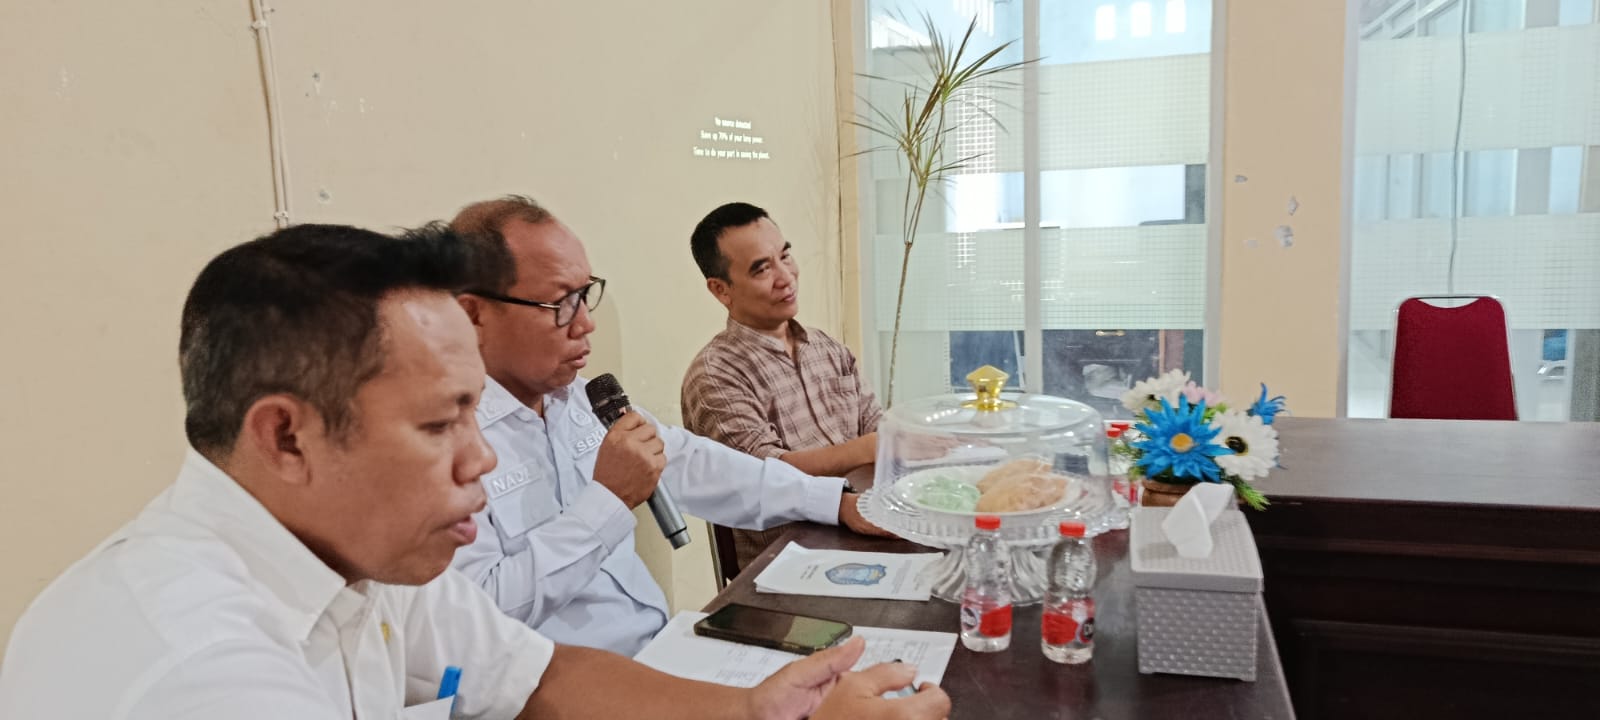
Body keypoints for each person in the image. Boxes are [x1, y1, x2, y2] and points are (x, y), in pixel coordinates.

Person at [0, 223, 948, 720]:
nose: (482, 454)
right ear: (286, 438)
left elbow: (533, 677)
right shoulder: (197, 669)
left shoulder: (358, 556)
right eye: (439, 423)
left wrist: (755, 711)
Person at [447, 196, 891, 657]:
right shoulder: (444, 439)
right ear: (474, 314)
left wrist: (834, 502)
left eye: (585, 294)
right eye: (560, 303)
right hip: (563, 681)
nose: (586, 323)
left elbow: (695, 463)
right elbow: (473, 614)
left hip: (661, 645)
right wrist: (609, 500)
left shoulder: (579, 399)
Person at [681, 202, 883, 569]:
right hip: (789, 566)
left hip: (867, 535)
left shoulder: (826, 348)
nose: (786, 277)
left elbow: (876, 425)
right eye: (762, 268)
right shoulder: (715, 375)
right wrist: (869, 448)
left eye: (785, 256)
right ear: (721, 290)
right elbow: (770, 477)